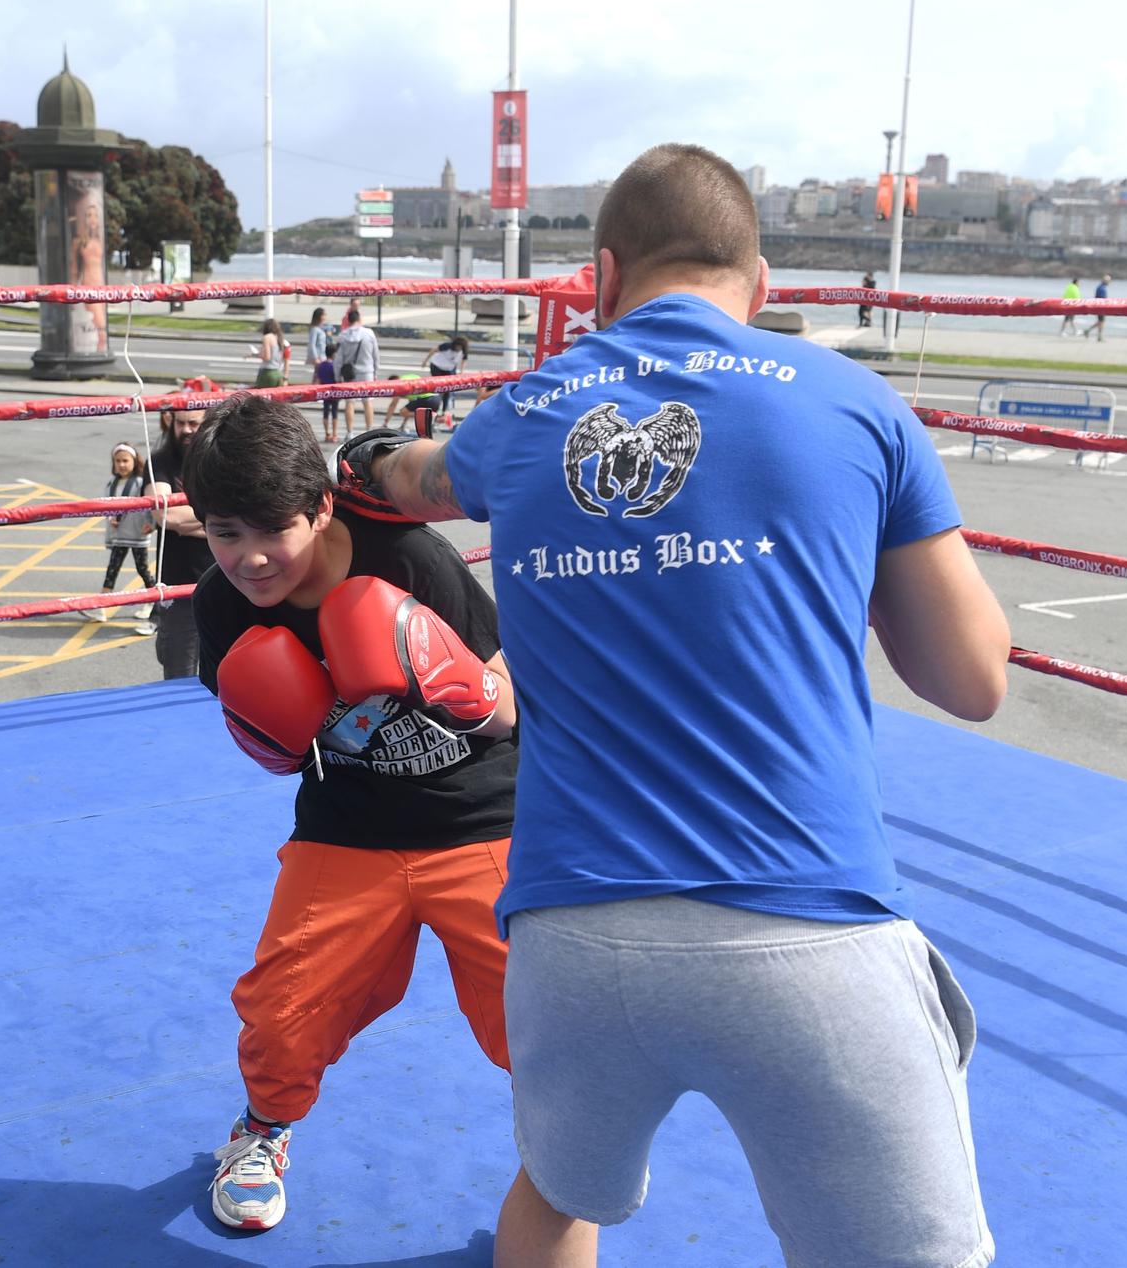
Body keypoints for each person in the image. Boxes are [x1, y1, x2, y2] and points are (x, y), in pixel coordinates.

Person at [351, 142, 1010, 1268]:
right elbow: (970, 678)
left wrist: (365, 456)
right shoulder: (856, 403)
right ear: (759, 287)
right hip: (807, 922)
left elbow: (410, 477)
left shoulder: (519, 415)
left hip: (572, 935)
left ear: (601, 278)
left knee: (557, 1199)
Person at [180, 392, 519, 1234]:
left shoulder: (407, 560)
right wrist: (272, 729)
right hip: (348, 823)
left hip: (484, 817)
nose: (253, 559)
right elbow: (276, 751)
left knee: (538, 1012)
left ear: (321, 505)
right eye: (227, 535)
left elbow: (512, 701)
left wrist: (460, 687)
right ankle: (260, 1133)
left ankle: (570, 1147)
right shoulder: (223, 607)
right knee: (282, 1005)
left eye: (273, 532)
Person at [147, 401, 215, 679]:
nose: (186, 430)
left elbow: (242, 509)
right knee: (179, 675)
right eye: (180, 423)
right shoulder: (160, 461)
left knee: (225, 675)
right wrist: (218, 523)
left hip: (224, 582)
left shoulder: (218, 459)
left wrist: (194, 523)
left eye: (194, 423)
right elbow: (165, 515)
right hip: (178, 584)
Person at [90, 442, 158, 634]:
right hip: (120, 535)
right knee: (112, 569)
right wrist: (111, 522)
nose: (121, 465)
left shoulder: (139, 482)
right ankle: (102, 607)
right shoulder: (111, 483)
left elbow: (149, 505)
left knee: (142, 569)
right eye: (118, 461)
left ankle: (153, 602)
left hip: (137, 534)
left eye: (125, 461)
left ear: (134, 461)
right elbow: (107, 506)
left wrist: (151, 524)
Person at [336, 307, 381, 436]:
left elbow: (338, 359)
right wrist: (375, 371)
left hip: (349, 373)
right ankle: (369, 430)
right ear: (359, 319)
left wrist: (337, 375)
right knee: (367, 401)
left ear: (348, 321)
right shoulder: (369, 334)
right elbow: (375, 354)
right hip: (367, 371)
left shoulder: (343, 336)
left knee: (350, 402)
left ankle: (350, 432)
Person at [256, 318, 290, 387]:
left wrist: (259, 355)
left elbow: (267, 357)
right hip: (278, 373)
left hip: (267, 372)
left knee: (262, 396)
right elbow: (286, 360)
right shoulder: (280, 338)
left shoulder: (267, 337)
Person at [1088, 274, 1112, 340]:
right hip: (1100, 307)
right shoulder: (1102, 288)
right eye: (1108, 280)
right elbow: (1102, 299)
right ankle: (1099, 336)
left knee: (1100, 321)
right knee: (1101, 322)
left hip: (1098, 307)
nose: (1110, 282)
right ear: (1105, 281)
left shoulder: (1101, 287)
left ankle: (1089, 331)